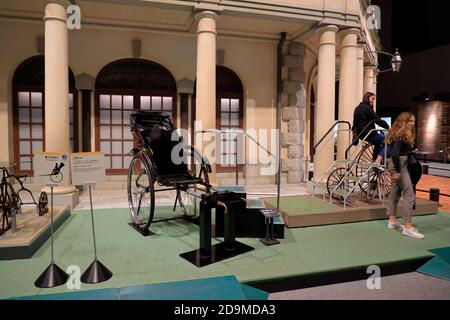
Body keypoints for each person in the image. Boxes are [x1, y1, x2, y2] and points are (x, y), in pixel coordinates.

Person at [385, 112, 424, 239]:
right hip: (399, 165)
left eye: (413, 121)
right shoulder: (401, 134)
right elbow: (395, 154)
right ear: (403, 121)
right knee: (409, 195)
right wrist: (397, 172)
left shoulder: (397, 133)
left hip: (396, 164)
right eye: (410, 121)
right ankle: (407, 227)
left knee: (395, 193)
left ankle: (392, 221)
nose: (412, 123)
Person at [352, 92, 390, 164]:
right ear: (367, 98)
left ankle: (375, 159)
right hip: (369, 133)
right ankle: (377, 160)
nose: (373, 101)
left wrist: (354, 131)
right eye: (372, 99)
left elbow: (354, 122)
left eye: (374, 99)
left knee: (377, 143)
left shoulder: (357, 108)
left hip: (361, 134)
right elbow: (376, 119)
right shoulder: (367, 108)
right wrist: (387, 127)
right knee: (388, 142)